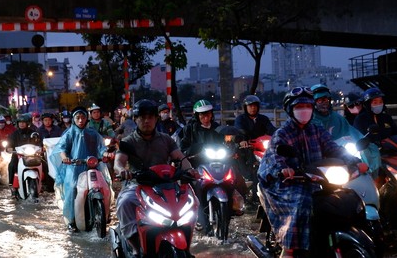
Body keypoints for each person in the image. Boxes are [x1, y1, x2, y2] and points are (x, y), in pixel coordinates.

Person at [257, 87, 365, 257]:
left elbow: (333, 148)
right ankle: (289, 249)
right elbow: (275, 157)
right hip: (288, 182)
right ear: (290, 110)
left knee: (348, 197)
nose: (304, 110)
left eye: (307, 106)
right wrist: (283, 169)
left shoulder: (316, 130)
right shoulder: (282, 134)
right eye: (299, 106)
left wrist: (355, 161)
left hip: (316, 178)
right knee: (303, 202)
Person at [114, 99, 197, 257]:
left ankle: (187, 244)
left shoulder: (166, 139)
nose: (146, 121)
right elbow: (119, 162)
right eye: (142, 117)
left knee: (192, 201)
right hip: (137, 186)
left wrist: (191, 170)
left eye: (150, 117)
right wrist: (121, 170)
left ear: (156, 119)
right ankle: (135, 245)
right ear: (135, 119)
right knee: (124, 203)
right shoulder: (128, 141)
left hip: (166, 186)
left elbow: (181, 158)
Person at [179, 99, 248, 229]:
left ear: (212, 114)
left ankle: (238, 204)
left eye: (208, 114)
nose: (205, 117)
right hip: (197, 164)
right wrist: (196, 149)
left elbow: (229, 142)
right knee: (191, 185)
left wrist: (234, 146)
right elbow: (182, 148)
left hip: (218, 163)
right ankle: (195, 214)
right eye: (202, 114)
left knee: (235, 176)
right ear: (197, 116)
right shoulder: (189, 129)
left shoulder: (218, 128)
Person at [49, 106, 114, 232]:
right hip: (74, 167)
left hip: (93, 166)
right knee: (72, 189)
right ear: (74, 119)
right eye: (78, 118)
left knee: (106, 185)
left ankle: (106, 213)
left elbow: (101, 148)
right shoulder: (69, 133)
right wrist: (65, 158)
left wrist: (106, 154)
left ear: (86, 118)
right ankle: (71, 220)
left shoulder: (92, 133)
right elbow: (62, 148)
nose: (80, 120)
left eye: (83, 117)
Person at [310, 84, 381, 178]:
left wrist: (364, 141)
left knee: (371, 150)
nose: (324, 102)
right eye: (320, 100)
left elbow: (352, 132)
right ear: (313, 102)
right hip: (318, 159)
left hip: (340, 154)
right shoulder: (309, 121)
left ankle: (374, 179)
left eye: (326, 99)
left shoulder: (338, 118)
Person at [353, 87, 397, 163]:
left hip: (390, 155)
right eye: (375, 102)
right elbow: (357, 138)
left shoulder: (386, 118)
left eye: (380, 102)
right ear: (368, 104)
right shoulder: (360, 119)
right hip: (369, 156)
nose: (378, 104)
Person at [233, 95, 277, 199]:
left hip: (261, 148)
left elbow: (271, 129)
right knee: (247, 167)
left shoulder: (263, 119)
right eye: (250, 106)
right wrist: (242, 140)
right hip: (246, 148)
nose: (253, 108)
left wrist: (279, 135)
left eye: (255, 106)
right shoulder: (241, 119)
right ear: (245, 107)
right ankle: (248, 188)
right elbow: (238, 131)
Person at [6, 113, 41, 198]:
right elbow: (9, 144)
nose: (21, 124)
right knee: (12, 165)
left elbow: (38, 142)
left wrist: (42, 148)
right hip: (18, 156)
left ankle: (46, 184)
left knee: (44, 164)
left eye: (23, 122)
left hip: (32, 156)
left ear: (27, 123)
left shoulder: (33, 133)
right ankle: (12, 186)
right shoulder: (14, 134)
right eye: (20, 122)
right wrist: (9, 148)